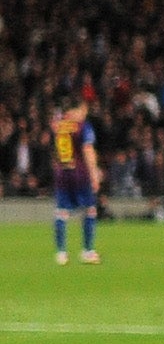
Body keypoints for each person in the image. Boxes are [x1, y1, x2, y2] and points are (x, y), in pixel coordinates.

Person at [48, 92, 100, 265]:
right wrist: (94, 173)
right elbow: (87, 150)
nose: (85, 113)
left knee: (61, 213)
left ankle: (61, 253)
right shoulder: (82, 126)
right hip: (81, 175)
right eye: (83, 109)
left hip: (62, 174)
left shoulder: (58, 126)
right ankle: (88, 251)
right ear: (77, 109)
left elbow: (55, 152)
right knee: (90, 210)